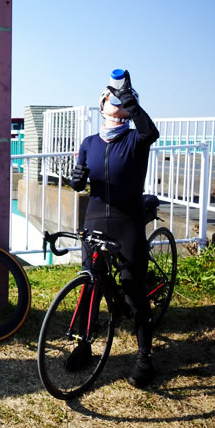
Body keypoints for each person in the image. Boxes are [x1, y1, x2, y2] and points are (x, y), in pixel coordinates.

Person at [69, 68, 160, 388]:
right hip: (94, 220)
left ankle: (144, 357)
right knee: (90, 285)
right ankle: (84, 345)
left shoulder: (137, 139)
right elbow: (78, 181)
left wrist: (131, 101)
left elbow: (152, 132)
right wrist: (76, 180)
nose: (118, 104)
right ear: (102, 104)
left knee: (133, 286)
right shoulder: (89, 142)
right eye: (113, 99)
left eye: (123, 101)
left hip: (127, 223)